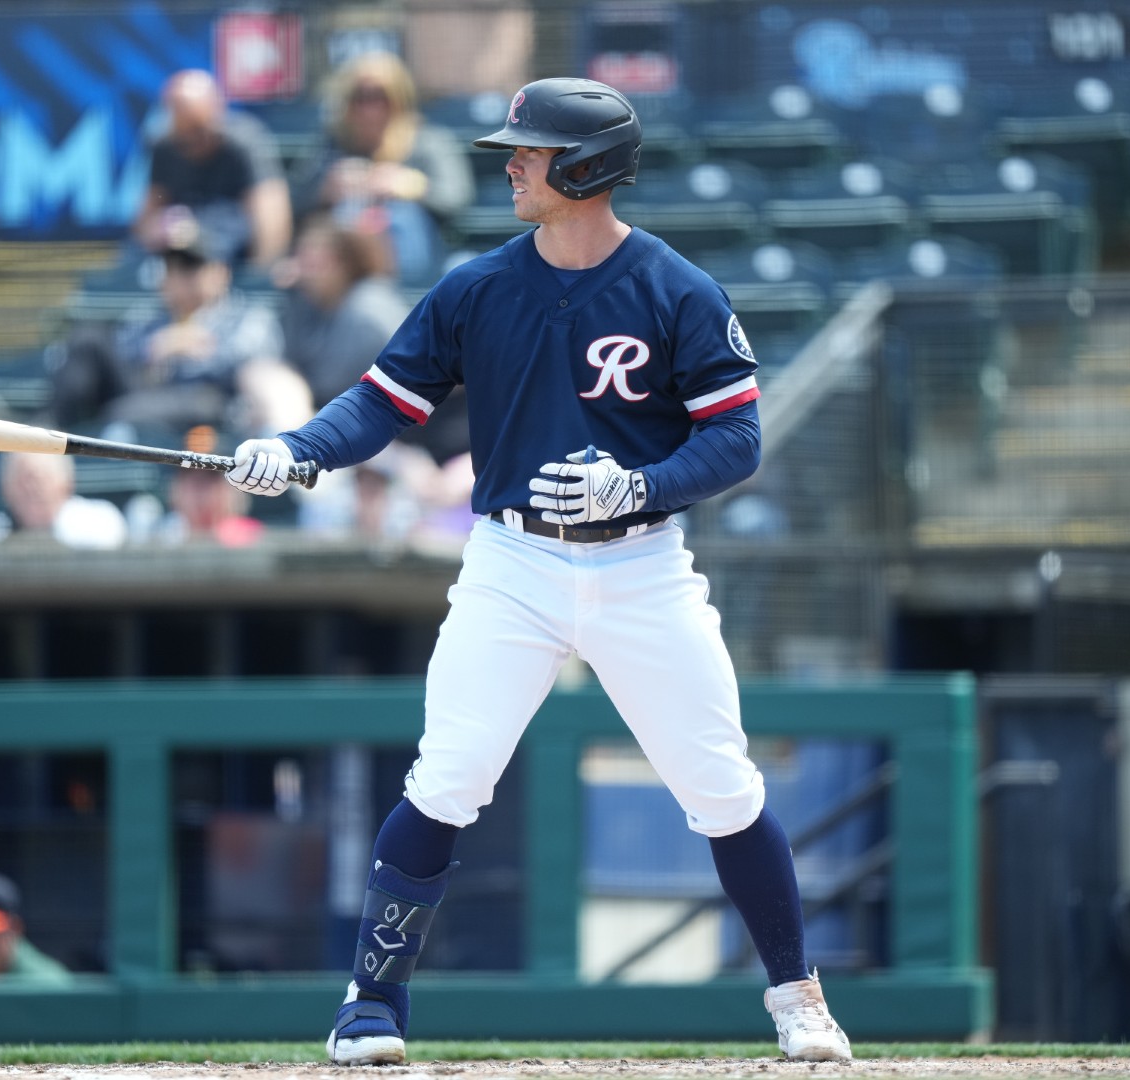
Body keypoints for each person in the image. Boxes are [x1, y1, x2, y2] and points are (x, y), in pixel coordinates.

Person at [225, 78, 851, 1065]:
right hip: (512, 562)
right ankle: (372, 1006)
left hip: (642, 566)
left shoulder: (677, 288)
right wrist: (296, 449)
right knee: (449, 775)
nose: (512, 163)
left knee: (722, 785)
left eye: (532, 150)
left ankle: (798, 997)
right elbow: (384, 404)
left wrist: (636, 489)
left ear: (587, 167)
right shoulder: (477, 285)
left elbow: (736, 442)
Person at [49, 216, 307, 438]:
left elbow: (256, 368)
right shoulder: (152, 317)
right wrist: (156, 350)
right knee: (88, 338)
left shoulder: (246, 317)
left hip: (211, 402)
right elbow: (126, 355)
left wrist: (201, 350)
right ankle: (50, 431)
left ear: (221, 272)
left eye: (191, 267)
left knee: (132, 411)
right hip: (148, 394)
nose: (179, 277)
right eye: (172, 268)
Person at [289, 51, 474, 285]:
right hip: (343, 271)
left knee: (402, 215)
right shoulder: (333, 144)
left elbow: (456, 198)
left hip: (413, 262)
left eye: (380, 96)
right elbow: (294, 202)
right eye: (360, 97)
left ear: (399, 99)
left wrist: (408, 184)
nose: (370, 109)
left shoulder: (427, 141)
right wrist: (325, 190)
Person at [133, 69, 292, 267]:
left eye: (199, 131)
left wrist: (259, 276)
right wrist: (155, 231)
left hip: (234, 256)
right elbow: (148, 215)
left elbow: (271, 216)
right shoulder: (164, 147)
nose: (193, 140)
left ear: (218, 112)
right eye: (185, 136)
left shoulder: (244, 141)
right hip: (185, 259)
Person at [276, 214, 410, 407]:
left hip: (407, 422)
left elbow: (326, 388)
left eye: (311, 264)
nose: (300, 271)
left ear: (340, 264)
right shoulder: (322, 302)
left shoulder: (365, 309)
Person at [0, 452, 128, 550]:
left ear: (66, 483)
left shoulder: (98, 520)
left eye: (40, 478)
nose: (31, 489)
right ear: (6, 488)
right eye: (23, 479)